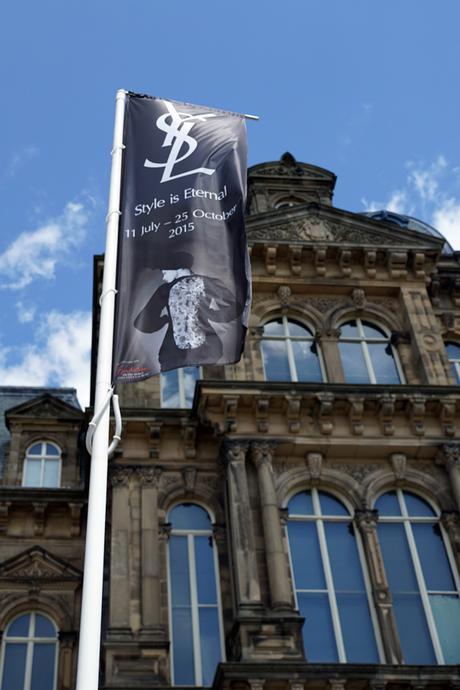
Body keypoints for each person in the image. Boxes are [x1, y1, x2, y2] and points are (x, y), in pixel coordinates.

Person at [134, 251, 244, 371]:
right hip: (208, 346)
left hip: (173, 351)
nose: (163, 276)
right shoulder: (208, 283)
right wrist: (213, 315)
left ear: (176, 268)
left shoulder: (164, 290)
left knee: (176, 374)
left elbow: (142, 322)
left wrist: (164, 320)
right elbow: (234, 306)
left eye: (164, 271)